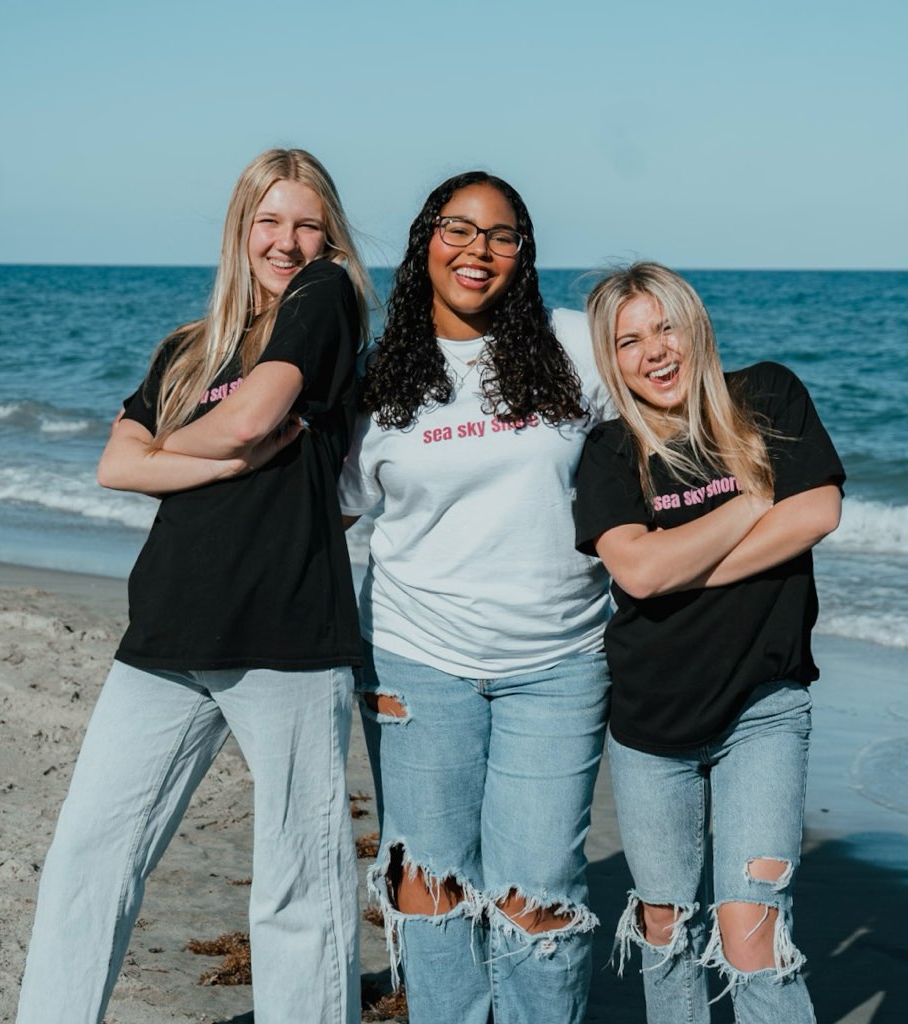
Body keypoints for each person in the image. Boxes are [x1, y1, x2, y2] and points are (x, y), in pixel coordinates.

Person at [15, 148, 373, 1024]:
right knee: (88, 856)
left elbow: (252, 416)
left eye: (305, 223)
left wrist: (175, 453)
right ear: (240, 227)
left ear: (328, 235)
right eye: (269, 221)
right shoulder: (187, 348)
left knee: (300, 884)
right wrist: (216, 459)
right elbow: (113, 465)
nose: (287, 241)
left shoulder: (324, 300)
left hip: (285, 632)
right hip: (168, 628)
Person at [337, 171, 613, 1024]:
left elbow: (675, 432)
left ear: (522, 255)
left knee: (539, 892)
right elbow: (337, 515)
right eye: (459, 229)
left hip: (560, 662)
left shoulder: (576, 346)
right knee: (426, 881)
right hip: (416, 661)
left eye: (501, 235)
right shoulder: (375, 376)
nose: (478, 250)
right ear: (426, 241)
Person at [574, 262, 844, 1023]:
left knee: (750, 932)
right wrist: (752, 502)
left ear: (695, 326)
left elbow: (817, 511)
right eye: (629, 340)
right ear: (611, 358)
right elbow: (635, 570)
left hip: (763, 710)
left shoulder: (765, 397)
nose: (654, 351)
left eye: (666, 326)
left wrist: (676, 563)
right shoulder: (610, 450)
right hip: (651, 726)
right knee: (664, 929)